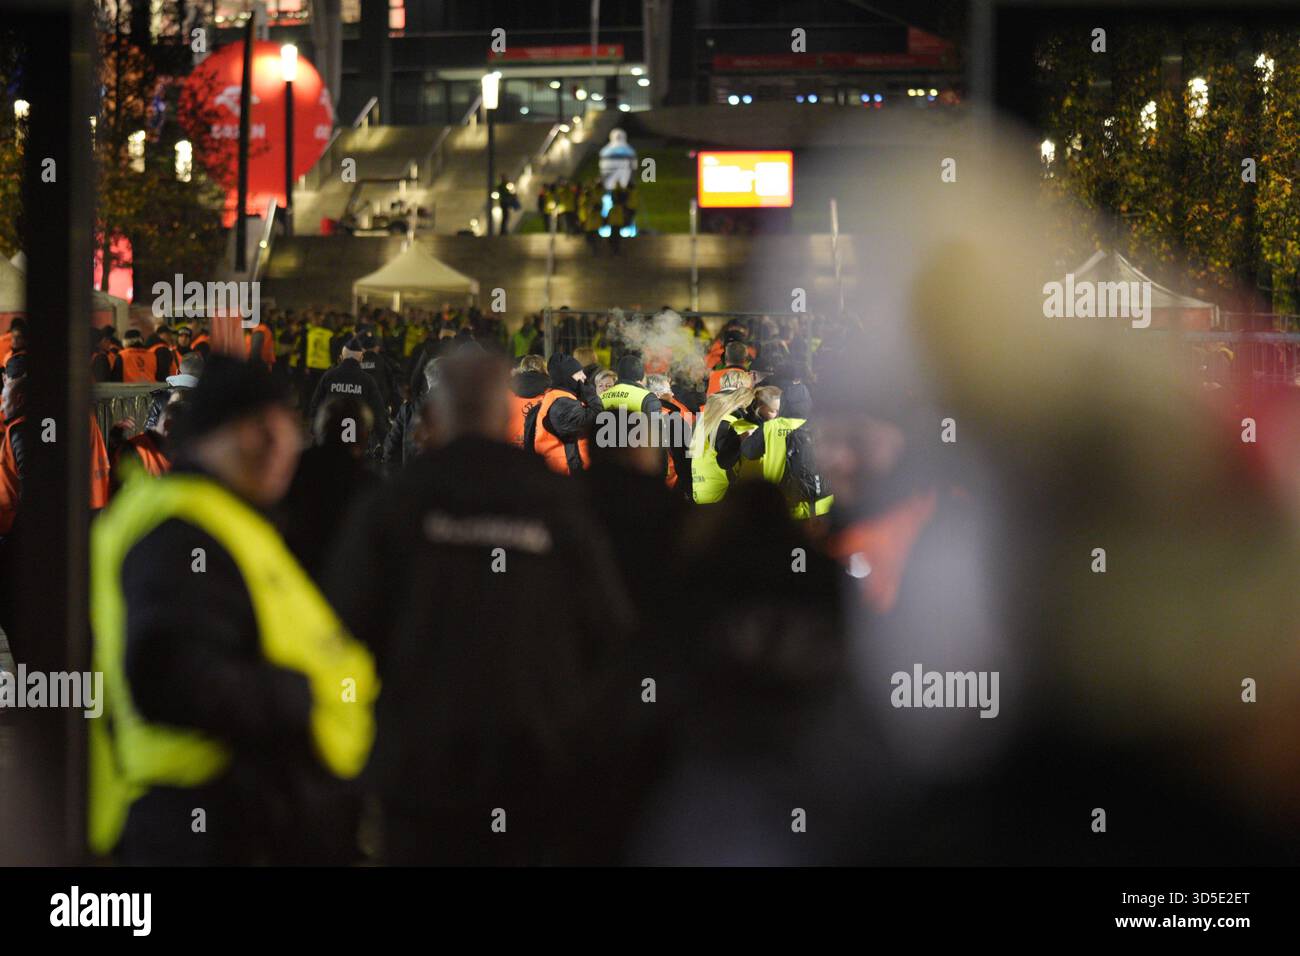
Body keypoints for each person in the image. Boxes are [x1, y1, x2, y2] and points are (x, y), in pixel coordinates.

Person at [324, 350, 636, 864]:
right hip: (533, 759)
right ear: (502, 411)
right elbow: (608, 631)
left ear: (433, 415)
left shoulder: (395, 503)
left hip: (420, 762)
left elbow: (342, 626)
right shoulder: (559, 506)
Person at [88, 355, 377, 864]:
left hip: (227, 819)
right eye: (264, 428)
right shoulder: (183, 530)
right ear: (219, 435)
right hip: (209, 824)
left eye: (286, 429)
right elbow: (169, 675)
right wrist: (304, 694)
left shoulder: (221, 518)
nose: (282, 446)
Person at [281, 393, 378, 583]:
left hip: (293, 577)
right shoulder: (370, 484)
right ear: (363, 434)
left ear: (320, 427)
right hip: (345, 583)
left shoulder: (290, 469)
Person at [736, 385, 833, 519]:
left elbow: (749, 452)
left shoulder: (771, 427)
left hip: (784, 500)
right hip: (821, 504)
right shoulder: (820, 426)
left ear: (784, 403)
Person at [307, 336, 389, 453]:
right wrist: (384, 441)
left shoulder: (329, 376)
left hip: (330, 438)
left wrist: (315, 430)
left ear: (341, 358)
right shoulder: (367, 380)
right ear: (361, 359)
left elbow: (315, 405)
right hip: (356, 444)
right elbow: (378, 412)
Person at [529, 353, 602, 475]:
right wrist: (591, 396)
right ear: (567, 377)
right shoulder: (561, 403)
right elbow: (593, 423)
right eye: (579, 373)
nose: (584, 376)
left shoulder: (564, 397)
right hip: (564, 471)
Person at [506, 354, 549, 450]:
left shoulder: (507, 391)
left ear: (522, 368)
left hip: (512, 447)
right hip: (542, 446)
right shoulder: (552, 391)